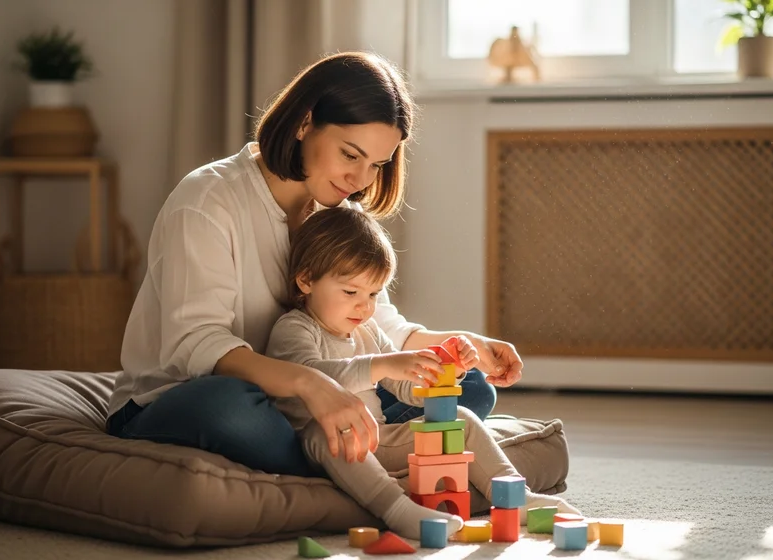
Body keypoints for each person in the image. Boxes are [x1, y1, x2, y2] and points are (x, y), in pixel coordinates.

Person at [105, 51, 522, 478]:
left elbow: (371, 323)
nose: (360, 180)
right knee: (229, 408)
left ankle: (337, 457)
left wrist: (453, 344)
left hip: (299, 399)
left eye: (376, 165)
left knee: (466, 386)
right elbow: (197, 344)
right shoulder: (207, 200)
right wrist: (311, 384)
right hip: (190, 396)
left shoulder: (339, 211)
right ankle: (355, 460)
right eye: (350, 155)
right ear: (305, 122)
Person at [266, 207, 580, 540]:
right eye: (350, 292)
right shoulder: (294, 329)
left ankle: (515, 500)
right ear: (306, 280)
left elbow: (405, 390)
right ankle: (398, 509)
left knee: (459, 418)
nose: (364, 306)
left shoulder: (367, 331)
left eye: (373, 294)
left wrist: (446, 372)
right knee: (330, 434)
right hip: (318, 444)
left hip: (377, 439)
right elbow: (311, 375)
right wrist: (383, 364)